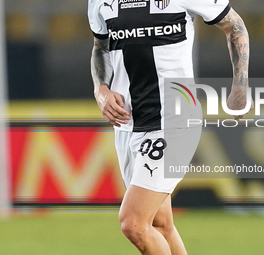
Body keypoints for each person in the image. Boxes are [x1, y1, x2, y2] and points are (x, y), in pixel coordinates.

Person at [88, 0, 251, 254]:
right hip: (128, 125)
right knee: (159, 224)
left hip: (174, 122)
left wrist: (240, 87)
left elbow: (235, 25)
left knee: (132, 223)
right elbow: (100, 46)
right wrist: (101, 89)